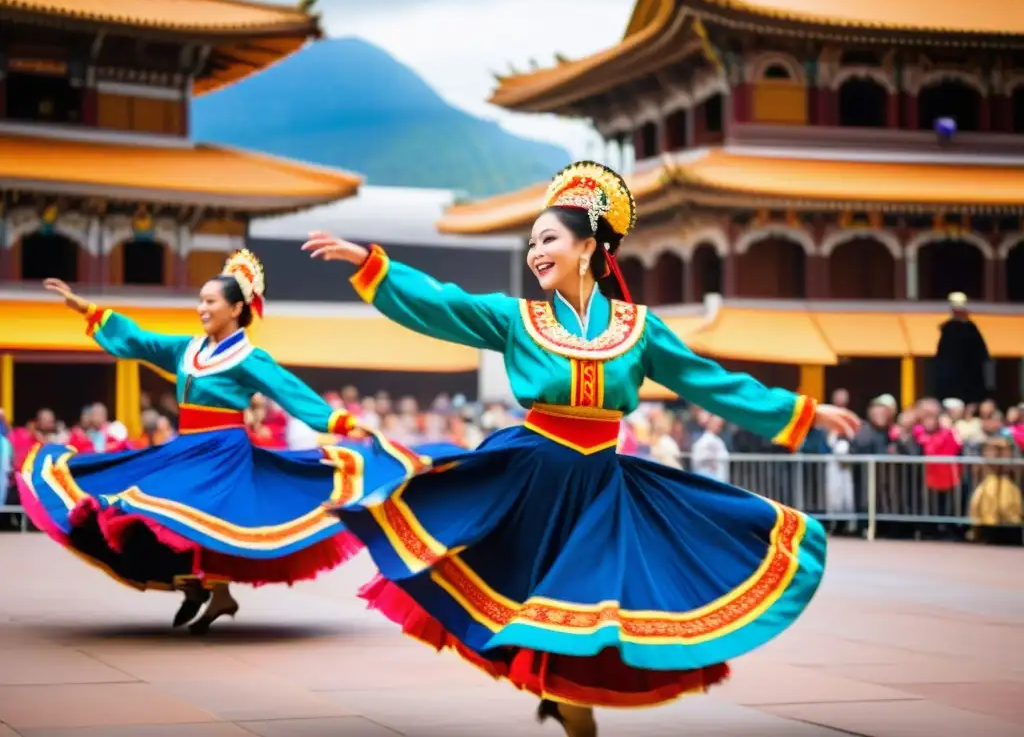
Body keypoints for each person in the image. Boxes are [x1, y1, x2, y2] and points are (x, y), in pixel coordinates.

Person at [303, 161, 860, 736]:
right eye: (530, 243)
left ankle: (571, 703)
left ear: (588, 246)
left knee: (590, 602)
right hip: (530, 479)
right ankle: (569, 706)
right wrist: (372, 266)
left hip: (599, 485)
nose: (534, 253)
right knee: (532, 596)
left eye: (547, 239)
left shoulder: (639, 329)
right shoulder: (519, 319)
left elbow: (707, 380)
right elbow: (447, 304)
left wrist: (802, 411)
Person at [17, 251, 425, 634]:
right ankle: (203, 589)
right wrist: (87, 309)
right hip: (186, 447)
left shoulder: (248, 359)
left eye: (211, 301)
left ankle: (209, 590)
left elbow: (291, 391)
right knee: (141, 503)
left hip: (222, 454)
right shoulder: (187, 349)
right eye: (200, 300)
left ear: (236, 309)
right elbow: (141, 340)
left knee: (189, 511)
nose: (202, 308)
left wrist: (342, 422)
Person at [934, 292, 991, 406]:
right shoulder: (948, 329)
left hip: (970, 382)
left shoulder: (971, 329)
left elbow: (981, 355)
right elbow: (942, 357)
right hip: (950, 384)